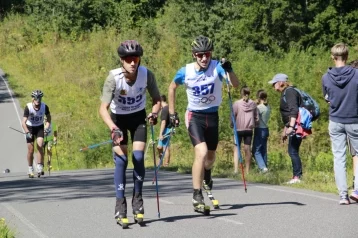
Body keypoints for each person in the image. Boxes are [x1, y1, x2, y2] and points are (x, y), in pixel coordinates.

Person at [168, 35, 239, 209]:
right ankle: (197, 194)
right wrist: (172, 113)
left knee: (211, 157)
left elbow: (235, 85)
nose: (204, 58)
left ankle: (207, 174)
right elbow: (172, 87)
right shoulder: (186, 71)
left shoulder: (217, 67)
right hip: (195, 116)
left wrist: (230, 70)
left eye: (207, 54)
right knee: (201, 152)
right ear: (194, 55)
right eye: (200, 55)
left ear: (211, 53)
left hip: (212, 116)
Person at [99, 40, 161, 225]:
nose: (133, 62)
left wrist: (154, 113)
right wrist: (113, 128)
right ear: (121, 60)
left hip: (138, 118)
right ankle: (120, 205)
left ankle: (138, 201)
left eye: (135, 58)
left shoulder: (146, 74)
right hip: (118, 120)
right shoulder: (113, 78)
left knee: (139, 158)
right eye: (128, 59)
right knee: (122, 160)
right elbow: (103, 109)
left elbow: (157, 100)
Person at [321, 43, 358, 205]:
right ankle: (356, 189)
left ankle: (343, 195)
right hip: (354, 119)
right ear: (347, 56)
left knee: (339, 157)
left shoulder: (326, 77)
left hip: (335, 120)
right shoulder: (356, 74)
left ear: (332, 57)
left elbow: (327, 98)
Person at [268, 73, 303, 184]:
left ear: (281, 82)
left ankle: (297, 177)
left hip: (296, 125)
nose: (273, 86)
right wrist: (285, 130)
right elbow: (287, 113)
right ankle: (297, 175)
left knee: (293, 151)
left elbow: (294, 110)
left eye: (274, 83)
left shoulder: (289, 92)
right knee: (293, 151)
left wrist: (291, 127)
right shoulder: (286, 92)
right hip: (292, 125)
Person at [21, 90, 51, 178]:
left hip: (39, 127)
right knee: (30, 149)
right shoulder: (28, 107)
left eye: (39, 100)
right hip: (29, 127)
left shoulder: (44, 106)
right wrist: (27, 132)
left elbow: (49, 118)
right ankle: (30, 168)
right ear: (33, 99)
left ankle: (39, 166)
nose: (37, 102)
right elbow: (23, 122)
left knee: (40, 145)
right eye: (36, 100)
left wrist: (46, 128)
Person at [232, 86, 259, 175]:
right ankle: (247, 171)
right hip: (249, 129)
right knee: (247, 149)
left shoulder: (236, 104)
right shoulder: (253, 104)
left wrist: (232, 124)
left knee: (237, 149)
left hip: (238, 129)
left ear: (241, 93)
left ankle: (236, 170)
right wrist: (255, 124)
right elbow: (257, 117)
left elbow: (233, 116)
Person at [252, 89, 271, 173]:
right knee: (263, 150)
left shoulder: (259, 107)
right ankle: (264, 167)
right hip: (266, 129)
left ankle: (263, 167)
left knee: (256, 150)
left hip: (260, 129)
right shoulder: (268, 106)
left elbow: (254, 115)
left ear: (258, 97)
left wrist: (254, 103)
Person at [157, 95, 171, 167]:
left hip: (166, 129)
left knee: (165, 147)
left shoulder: (165, 109)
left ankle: (166, 164)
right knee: (159, 147)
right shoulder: (168, 107)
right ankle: (160, 163)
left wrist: (161, 133)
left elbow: (163, 122)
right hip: (168, 128)